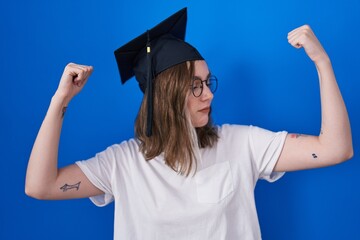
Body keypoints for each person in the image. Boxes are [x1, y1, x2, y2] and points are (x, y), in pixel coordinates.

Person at [25, 7, 353, 240]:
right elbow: (40, 186)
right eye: (196, 85)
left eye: (208, 82)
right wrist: (60, 101)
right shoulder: (122, 164)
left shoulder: (242, 144)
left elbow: (335, 149)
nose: (208, 95)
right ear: (166, 95)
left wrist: (322, 63)